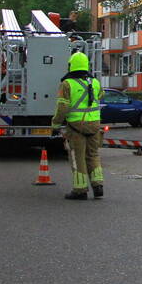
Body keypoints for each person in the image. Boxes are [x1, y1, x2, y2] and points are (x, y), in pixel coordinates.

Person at [51, 51, 104, 201]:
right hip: (94, 125)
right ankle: (98, 185)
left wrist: (55, 123)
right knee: (93, 155)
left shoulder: (67, 84)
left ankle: (80, 190)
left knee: (77, 157)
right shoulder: (95, 82)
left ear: (71, 66)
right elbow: (101, 95)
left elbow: (62, 107)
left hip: (76, 127)